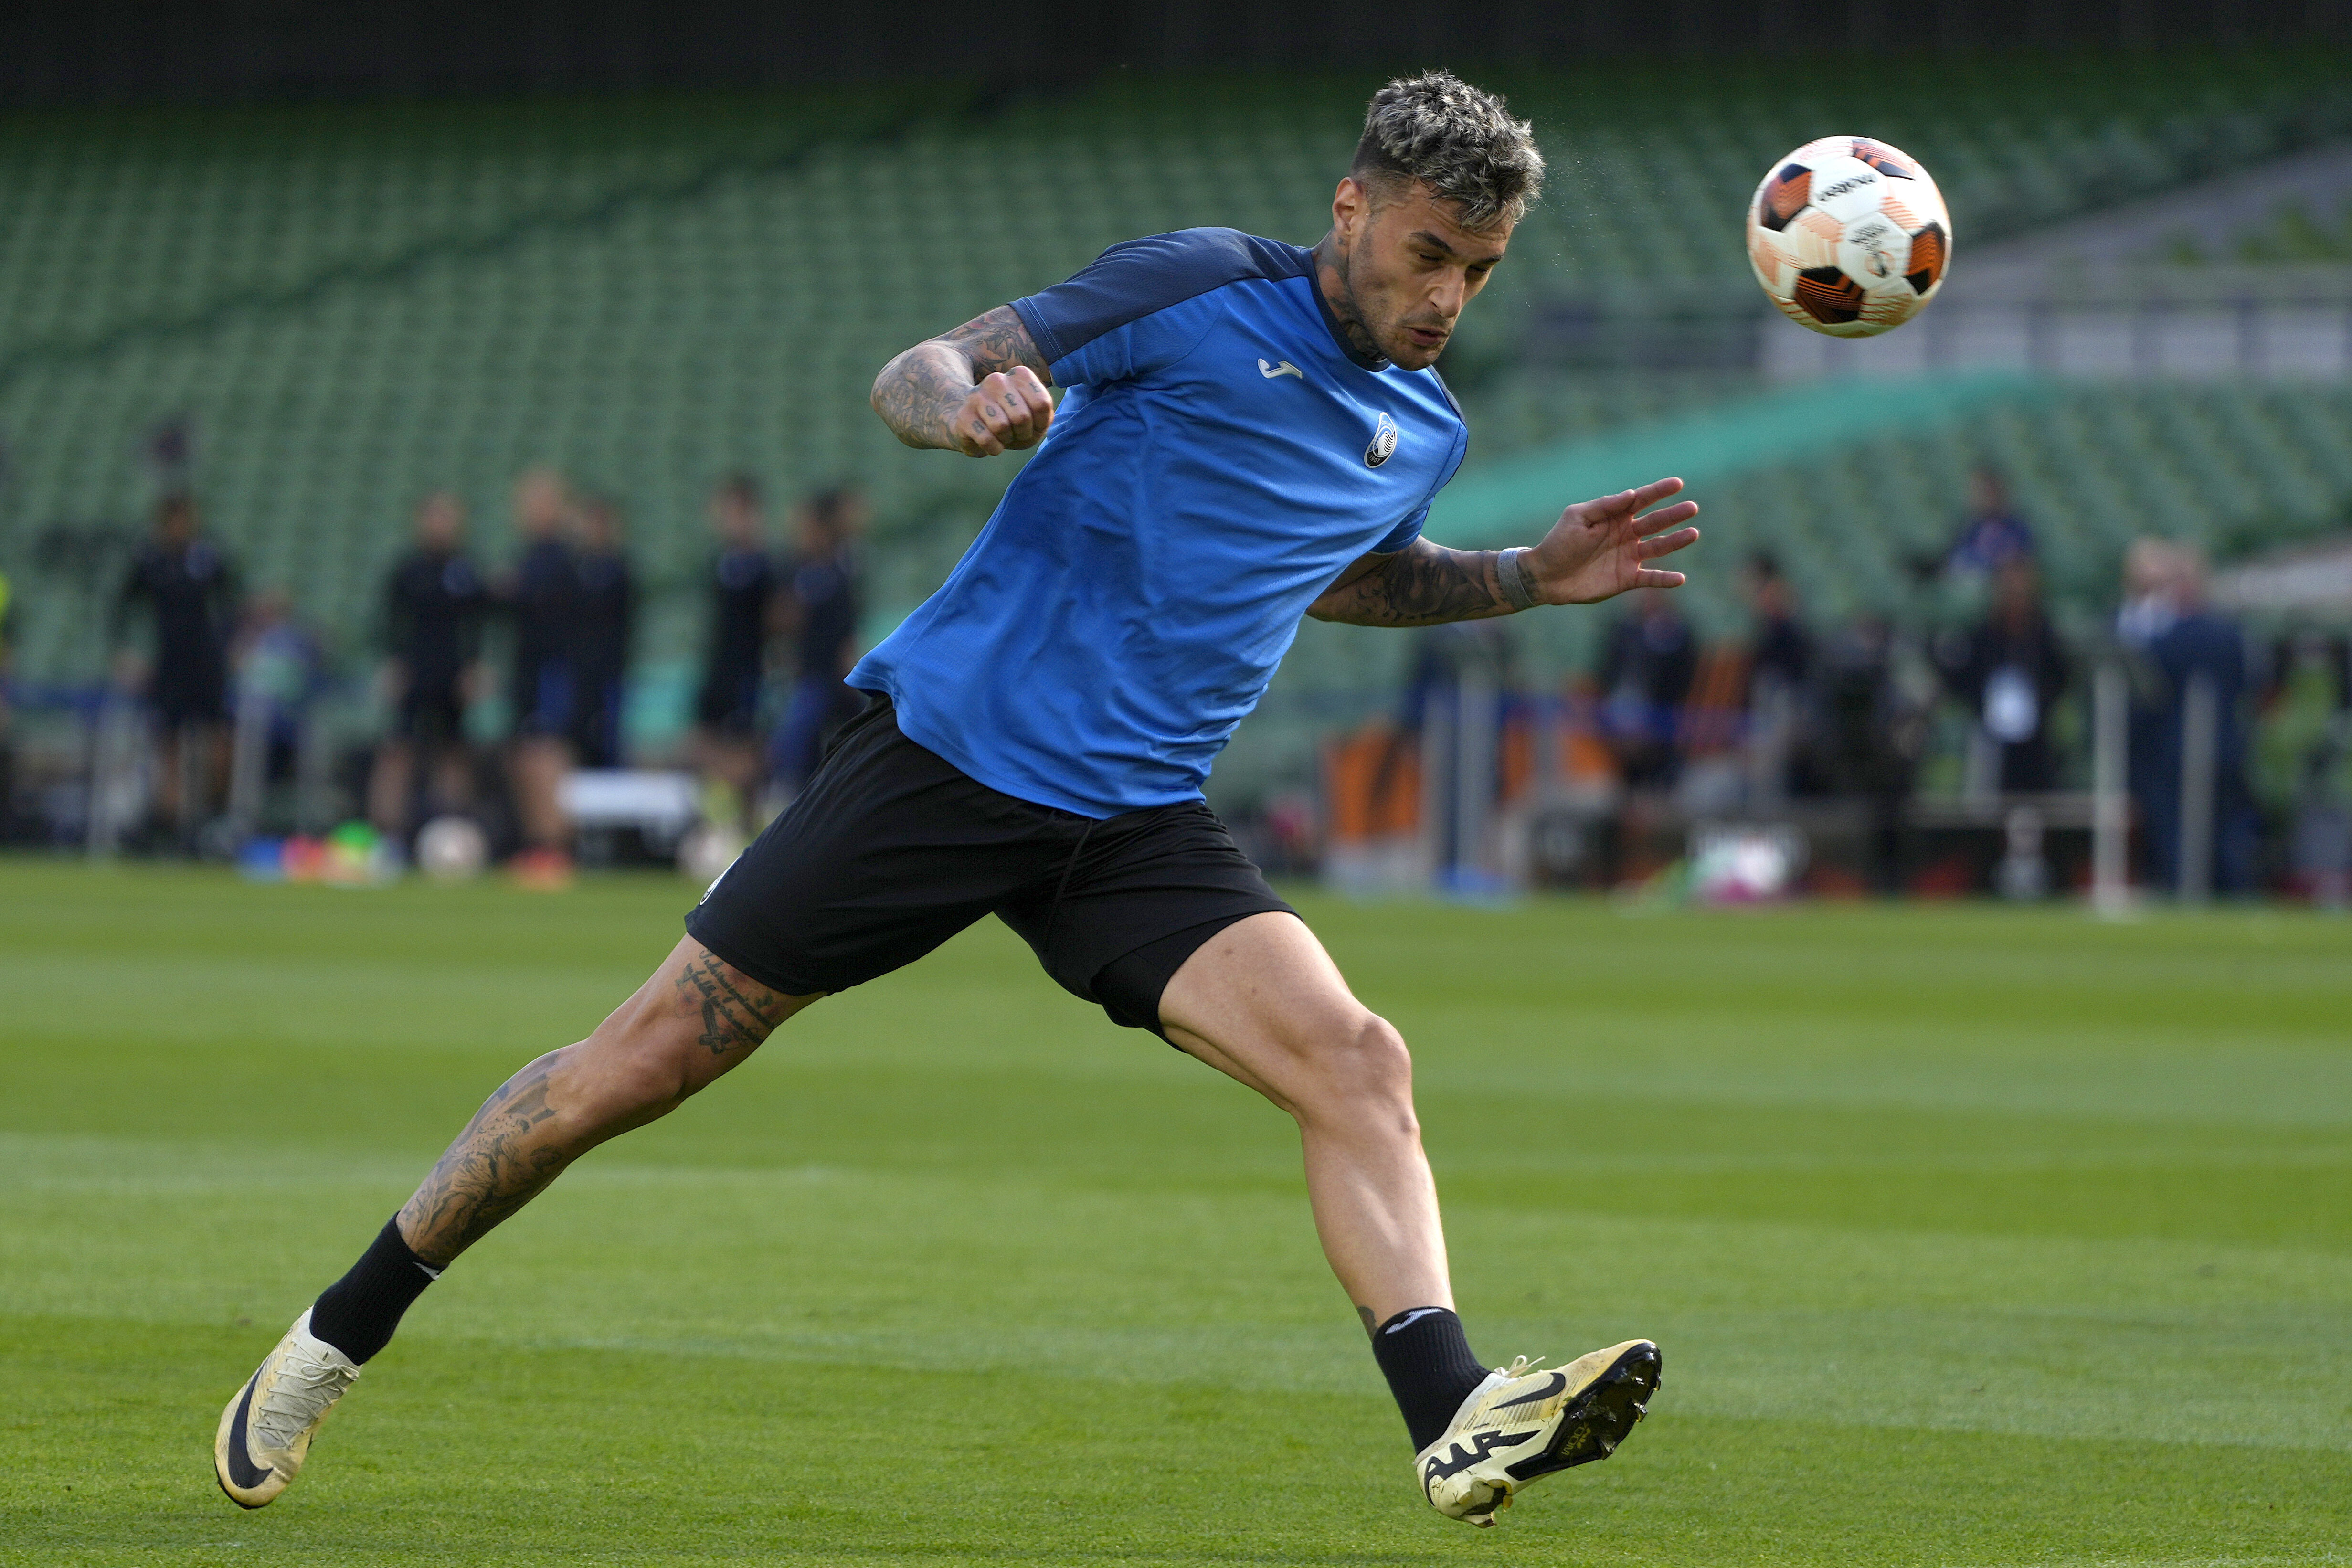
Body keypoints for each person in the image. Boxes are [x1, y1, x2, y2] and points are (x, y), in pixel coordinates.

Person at [215, 73, 1695, 1531]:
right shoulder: (1191, 288)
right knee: (638, 1064)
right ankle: (336, 1331)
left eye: (1479, 272)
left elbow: (1343, 568)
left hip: (1132, 816)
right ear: (1351, 206)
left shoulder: (1424, 427)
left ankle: (1448, 1413)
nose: (1446, 298)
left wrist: (1517, 578)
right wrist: (966, 408)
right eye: (1427, 254)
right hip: (946, 755)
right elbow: (916, 371)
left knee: (1359, 1057)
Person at [116, 492, 238, 848]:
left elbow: (230, 604)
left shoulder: (208, 557)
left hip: (207, 664)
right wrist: (127, 653)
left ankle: (211, 817)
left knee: (215, 742)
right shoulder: (149, 561)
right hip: (168, 664)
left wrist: (230, 647)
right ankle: (170, 825)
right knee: (169, 745)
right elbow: (123, 609)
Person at [369, 493, 489, 842]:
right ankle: (388, 833)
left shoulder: (467, 570)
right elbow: (392, 622)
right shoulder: (407, 571)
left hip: (453, 674)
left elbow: (477, 626)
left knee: (455, 751)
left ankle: (453, 828)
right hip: (415, 672)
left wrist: (474, 668)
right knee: (398, 749)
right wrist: (394, 665)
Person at [502, 468, 580, 882]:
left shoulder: (562, 559)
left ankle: (555, 847)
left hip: (552, 670)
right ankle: (538, 845)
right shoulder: (530, 556)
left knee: (546, 753)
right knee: (525, 756)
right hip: (527, 671)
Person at [1939, 555, 2070, 793]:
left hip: (2036, 736)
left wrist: (2040, 701)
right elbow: (1965, 679)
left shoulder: (2044, 633)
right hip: (1990, 732)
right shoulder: (1983, 634)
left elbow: (2060, 676)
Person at [766, 486, 865, 796]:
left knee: (830, 732)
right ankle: (794, 792)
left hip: (831, 674)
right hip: (806, 673)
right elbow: (778, 620)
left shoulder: (838, 572)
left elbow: (847, 625)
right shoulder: (793, 571)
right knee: (800, 741)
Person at [691, 474, 776, 825]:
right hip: (718, 670)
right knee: (702, 743)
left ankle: (746, 825)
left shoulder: (766, 565)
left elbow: (779, 618)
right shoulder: (718, 562)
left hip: (748, 670)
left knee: (746, 751)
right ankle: (719, 822)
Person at [1597, 587, 1697, 788]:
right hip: (1623, 708)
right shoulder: (1622, 631)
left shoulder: (1676, 632)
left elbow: (1680, 676)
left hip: (1662, 712)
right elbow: (1606, 672)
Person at [568, 496, 635, 771]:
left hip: (608, 671)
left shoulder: (619, 571)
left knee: (608, 740)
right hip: (579, 673)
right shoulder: (574, 570)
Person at [1945, 465, 2035, 580]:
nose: (1986, 498)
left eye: (1990, 492)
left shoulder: (2017, 528)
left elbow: (2021, 563)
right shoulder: (1972, 527)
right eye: (1981, 493)